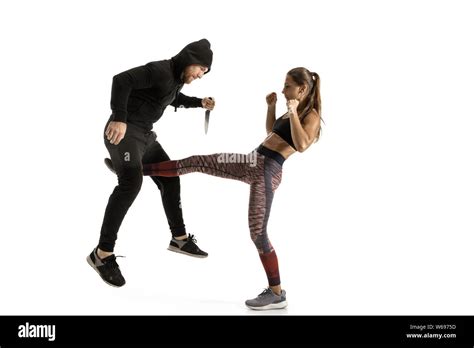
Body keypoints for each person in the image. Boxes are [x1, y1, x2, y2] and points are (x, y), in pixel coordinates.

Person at [142, 67, 322, 310]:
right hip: (250, 161)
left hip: (267, 173)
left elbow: (301, 144)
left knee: (258, 234)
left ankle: (277, 293)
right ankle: (137, 171)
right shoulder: (293, 110)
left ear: (301, 89)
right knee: (197, 161)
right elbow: (272, 133)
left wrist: (291, 112)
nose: (282, 89)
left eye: (287, 85)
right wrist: (272, 108)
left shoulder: (310, 115)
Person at [87, 39, 216, 288]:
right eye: (201, 69)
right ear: (190, 59)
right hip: (123, 134)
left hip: (145, 137)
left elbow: (171, 99)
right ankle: (101, 255)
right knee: (131, 183)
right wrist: (119, 118)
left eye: (204, 73)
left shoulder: (175, 80)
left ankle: (179, 238)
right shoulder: (160, 70)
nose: (201, 75)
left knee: (170, 174)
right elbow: (121, 80)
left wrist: (199, 102)